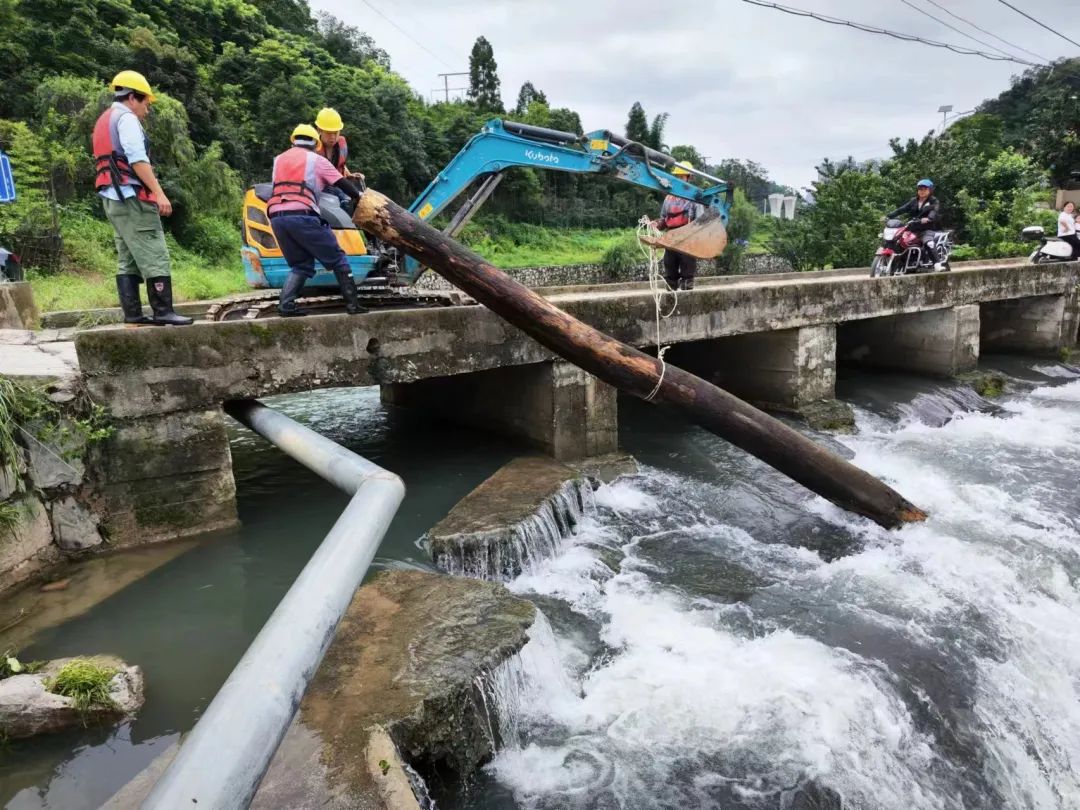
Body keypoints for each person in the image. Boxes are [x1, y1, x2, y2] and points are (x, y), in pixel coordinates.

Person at [92, 70, 192, 325]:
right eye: (146, 103)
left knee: (127, 257)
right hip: (131, 197)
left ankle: (134, 315)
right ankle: (163, 311)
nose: (147, 110)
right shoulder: (126, 119)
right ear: (133, 97)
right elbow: (137, 159)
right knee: (154, 251)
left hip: (112, 198)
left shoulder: (105, 118)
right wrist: (159, 193)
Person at [267, 124, 366, 317]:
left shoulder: (278, 160)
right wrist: (359, 197)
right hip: (302, 215)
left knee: (301, 265)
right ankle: (353, 305)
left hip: (277, 217)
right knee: (338, 259)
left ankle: (286, 305)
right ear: (316, 143)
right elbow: (342, 183)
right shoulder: (316, 160)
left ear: (293, 140)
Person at [657, 161, 704, 290]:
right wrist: (657, 225)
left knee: (687, 260)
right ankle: (671, 284)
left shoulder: (695, 197)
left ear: (688, 177)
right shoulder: (669, 198)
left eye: (682, 176)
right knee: (669, 261)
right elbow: (664, 218)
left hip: (688, 235)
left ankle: (687, 281)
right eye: (678, 177)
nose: (679, 179)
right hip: (671, 234)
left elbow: (700, 220)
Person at [886, 179, 944, 271]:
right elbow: (901, 209)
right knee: (898, 241)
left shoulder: (934, 201)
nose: (922, 191)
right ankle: (897, 265)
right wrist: (888, 216)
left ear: (930, 190)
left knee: (929, 243)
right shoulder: (913, 201)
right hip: (912, 228)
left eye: (925, 189)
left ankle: (937, 264)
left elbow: (934, 211)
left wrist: (929, 218)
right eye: (920, 189)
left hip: (926, 229)